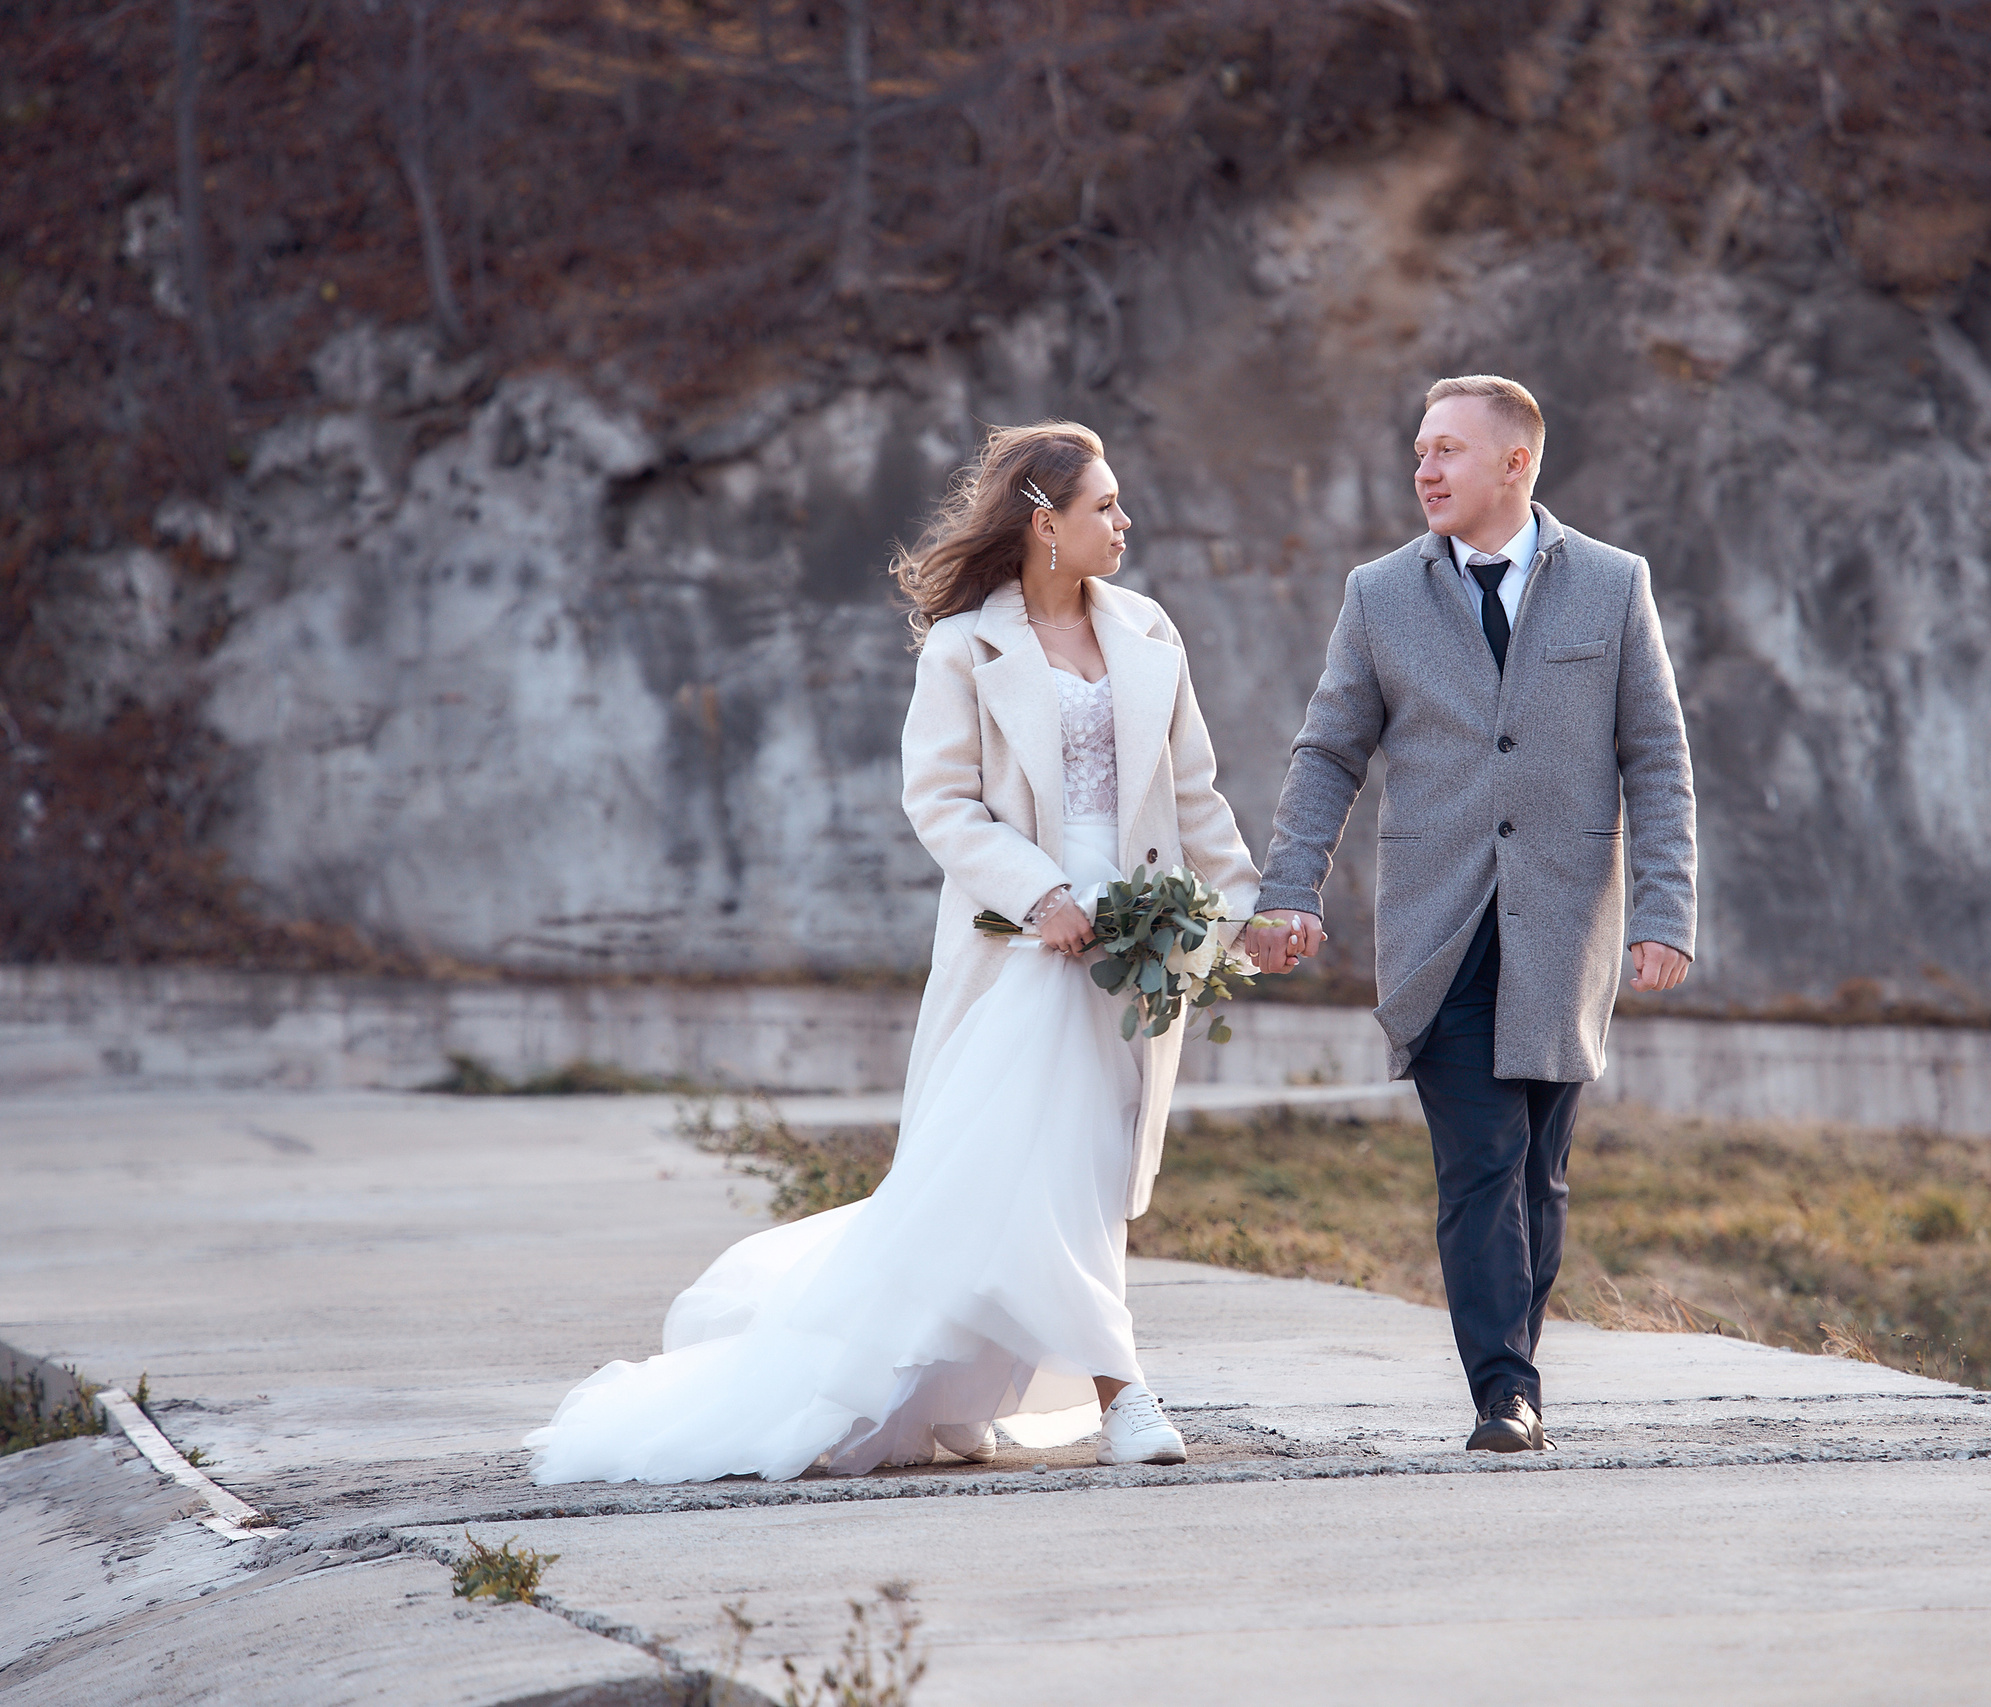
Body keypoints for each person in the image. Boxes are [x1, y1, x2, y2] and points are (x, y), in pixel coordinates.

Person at [525, 421, 1260, 1484]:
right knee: (1049, 1170)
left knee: (1078, 1173)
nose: (1124, 521)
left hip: (1138, 953)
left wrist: (1245, 914)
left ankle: (944, 1387)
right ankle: (1124, 1394)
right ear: (1044, 525)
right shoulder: (965, 648)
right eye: (1103, 506)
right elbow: (941, 803)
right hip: (1029, 953)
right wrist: (1041, 893)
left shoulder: (1149, 631)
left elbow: (1195, 794)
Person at [1243, 375, 1697, 1453]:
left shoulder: (1613, 584)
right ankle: (1504, 1391)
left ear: (1515, 463)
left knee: (1539, 1173)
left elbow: (1656, 756)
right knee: (1480, 1161)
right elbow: (1329, 752)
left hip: (1566, 925)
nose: (1425, 470)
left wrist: (1666, 909)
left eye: (1447, 449)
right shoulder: (1378, 594)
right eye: (1419, 451)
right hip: (1436, 926)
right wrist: (1288, 887)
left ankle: (1515, 1371)